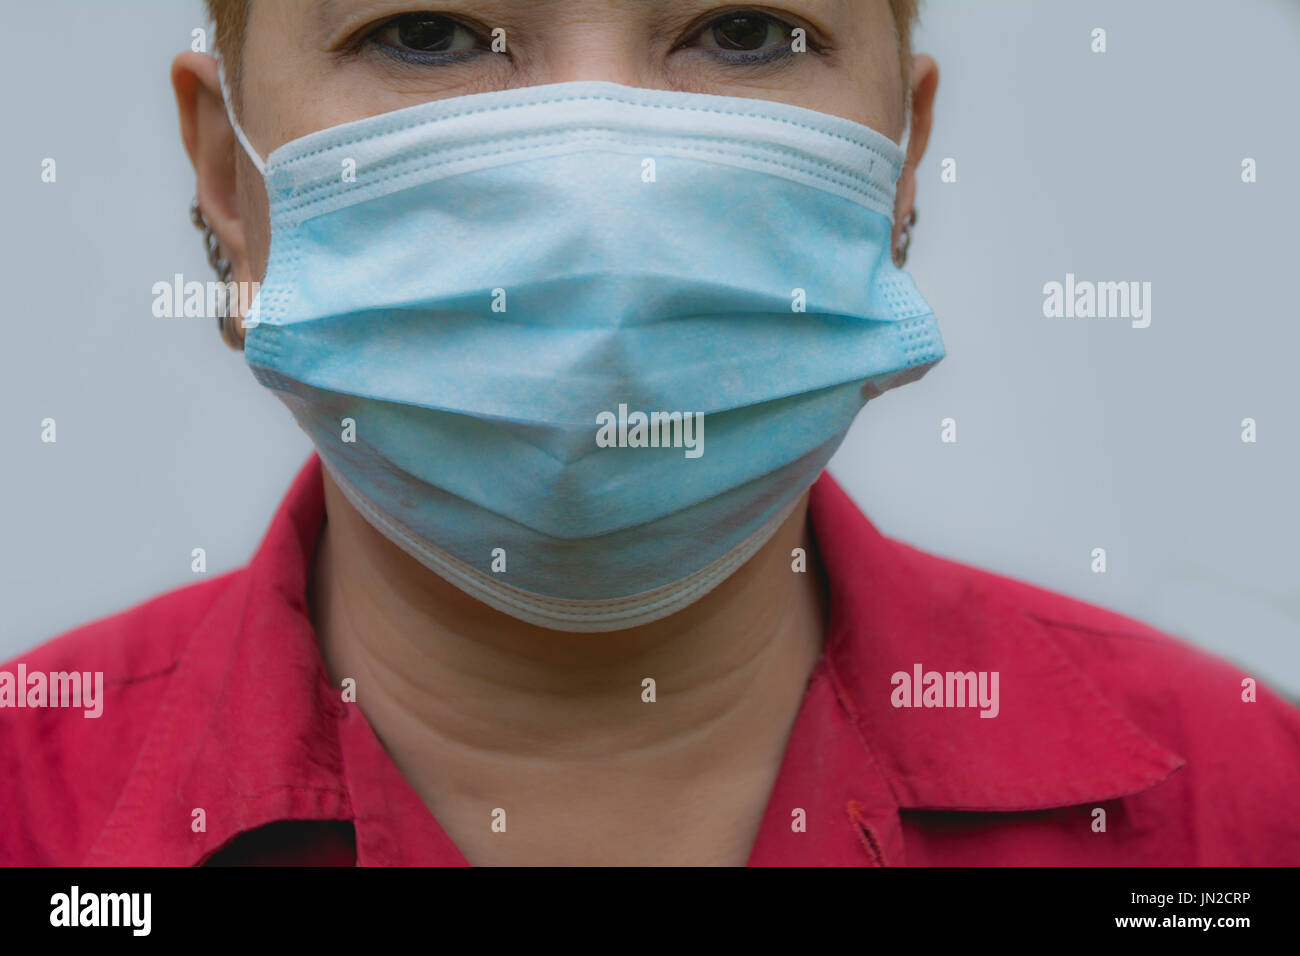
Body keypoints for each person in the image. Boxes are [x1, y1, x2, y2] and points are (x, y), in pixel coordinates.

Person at [2, 0, 1297, 867]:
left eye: (743, 32)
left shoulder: (1236, 806)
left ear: (899, 161)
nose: (596, 195)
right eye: (432, 32)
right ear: (229, 181)